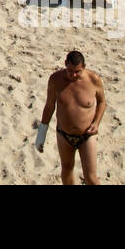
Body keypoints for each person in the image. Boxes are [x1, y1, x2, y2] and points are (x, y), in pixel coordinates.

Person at [36, 50, 106, 185]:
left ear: (84, 67)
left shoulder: (93, 79)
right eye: (70, 71)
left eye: (78, 71)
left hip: (87, 136)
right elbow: (50, 106)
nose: (73, 75)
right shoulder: (55, 80)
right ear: (65, 65)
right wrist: (41, 133)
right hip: (64, 135)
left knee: (91, 177)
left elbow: (102, 102)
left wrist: (96, 123)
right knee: (67, 170)